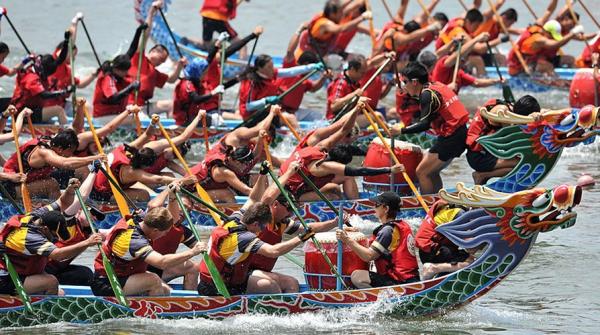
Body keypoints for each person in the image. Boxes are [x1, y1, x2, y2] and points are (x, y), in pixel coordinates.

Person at [243, 162, 343, 292]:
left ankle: (294, 311)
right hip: (245, 272)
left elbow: (308, 227)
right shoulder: (263, 217)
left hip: (260, 272)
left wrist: (334, 223)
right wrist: (289, 172)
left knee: (292, 283)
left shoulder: (282, 223)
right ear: (276, 204)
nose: (290, 213)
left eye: (293, 210)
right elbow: (267, 197)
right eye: (289, 208)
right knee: (272, 284)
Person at [197, 201, 315, 296]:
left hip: (221, 281)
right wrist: (301, 238)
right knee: (270, 286)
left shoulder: (234, 219)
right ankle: (277, 315)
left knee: (284, 283)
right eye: (263, 227)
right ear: (255, 224)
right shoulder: (245, 238)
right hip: (217, 288)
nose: (261, 231)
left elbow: (254, 197)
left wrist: (263, 174)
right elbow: (273, 252)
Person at [0, 189, 103, 295]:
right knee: (51, 282)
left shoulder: (37, 215)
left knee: (61, 292)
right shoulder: (31, 238)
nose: (56, 239)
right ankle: (40, 310)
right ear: (44, 228)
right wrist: (87, 242)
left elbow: (62, 202)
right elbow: (58, 255)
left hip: (20, 272)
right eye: (54, 235)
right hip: (5, 278)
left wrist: (70, 190)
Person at [91, 207, 206, 297]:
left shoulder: (140, 220)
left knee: (166, 290)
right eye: (165, 233)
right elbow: (161, 262)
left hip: (125, 275)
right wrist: (192, 252)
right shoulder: (135, 241)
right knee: (153, 280)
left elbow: (147, 215)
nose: (164, 235)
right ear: (155, 230)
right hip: (108, 282)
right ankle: (157, 317)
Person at [391, 62, 469, 194]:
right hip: (459, 132)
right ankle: (438, 200)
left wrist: (401, 131)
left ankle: (427, 208)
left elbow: (424, 125)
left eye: (405, 82)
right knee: (431, 172)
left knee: (422, 172)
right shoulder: (436, 85)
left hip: (452, 137)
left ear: (415, 82)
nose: (404, 86)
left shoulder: (427, 95)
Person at [279, 135, 405, 201]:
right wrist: (389, 169)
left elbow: (348, 148)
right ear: (338, 163)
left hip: (289, 182)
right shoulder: (327, 166)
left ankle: (354, 203)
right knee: (334, 197)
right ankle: (355, 208)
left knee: (342, 180)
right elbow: (359, 171)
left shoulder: (320, 149)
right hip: (290, 194)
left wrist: (369, 152)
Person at [336, 192, 419, 288]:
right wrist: (355, 233)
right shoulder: (401, 225)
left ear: (386, 209)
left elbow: (369, 256)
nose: (373, 208)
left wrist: (347, 240)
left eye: (376, 205)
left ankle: (375, 300)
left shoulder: (387, 231)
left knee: (357, 276)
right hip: (410, 279)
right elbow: (374, 246)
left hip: (398, 282)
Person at [2, 128, 105, 200]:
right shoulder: (44, 152)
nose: (71, 155)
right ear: (60, 149)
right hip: (12, 187)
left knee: (83, 169)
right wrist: (95, 158)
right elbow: (65, 163)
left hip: (31, 179)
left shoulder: (52, 142)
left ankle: (85, 200)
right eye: (70, 151)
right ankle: (59, 213)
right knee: (52, 184)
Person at [127, 2, 186, 116]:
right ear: (152, 51)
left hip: (144, 106)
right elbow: (146, 34)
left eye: (163, 60)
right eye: (161, 56)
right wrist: (151, 12)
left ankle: (172, 130)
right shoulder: (138, 59)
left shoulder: (154, 72)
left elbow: (172, 79)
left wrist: (179, 65)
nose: (161, 61)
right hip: (130, 106)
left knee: (171, 104)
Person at [44, 175, 104, 287]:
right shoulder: (68, 221)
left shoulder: (90, 232)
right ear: (80, 209)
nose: (94, 217)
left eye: (97, 217)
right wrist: (93, 172)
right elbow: (82, 197)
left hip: (60, 269)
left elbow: (110, 233)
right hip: (45, 267)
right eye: (93, 213)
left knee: (86, 274)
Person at [466, 95, 541, 184]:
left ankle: (483, 178)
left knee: (522, 162)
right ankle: (482, 175)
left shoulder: (510, 107)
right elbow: (508, 137)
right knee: (524, 165)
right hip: (479, 157)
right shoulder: (502, 111)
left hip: (486, 153)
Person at [91, 126, 177, 202]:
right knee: (144, 195)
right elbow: (159, 179)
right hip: (100, 195)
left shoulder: (124, 149)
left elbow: (147, 135)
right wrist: (179, 181)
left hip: (91, 185)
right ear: (145, 166)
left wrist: (153, 124)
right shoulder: (132, 172)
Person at [146, 177, 201, 290]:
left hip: (160, 269)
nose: (185, 212)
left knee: (193, 267)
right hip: (142, 270)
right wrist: (170, 189)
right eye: (183, 206)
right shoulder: (155, 218)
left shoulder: (183, 232)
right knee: (167, 291)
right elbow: (153, 205)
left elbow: (203, 249)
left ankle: (191, 300)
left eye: (189, 210)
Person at [238, 54, 323, 126]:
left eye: (272, 65)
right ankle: (299, 141)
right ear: (260, 68)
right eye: (269, 67)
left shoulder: (270, 73)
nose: (273, 69)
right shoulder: (251, 82)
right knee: (291, 118)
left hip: (265, 111)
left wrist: (311, 67)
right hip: (252, 116)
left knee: (289, 116)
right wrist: (266, 101)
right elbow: (248, 106)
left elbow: (290, 72)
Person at [189, 130, 268, 203]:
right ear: (237, 162)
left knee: (260, 178)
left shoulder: (232, 159)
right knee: (227, 194)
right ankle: (235, 216)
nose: (247, 166)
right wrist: (268, 197)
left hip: (212, 189)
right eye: (246, 164)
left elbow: (255, 154)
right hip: (192, 194)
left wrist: (260, 138)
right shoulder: (225, 172)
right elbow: (246, 190)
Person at [507, 0, 583, 76]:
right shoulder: (539, 39)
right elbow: (555, 44)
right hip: (517, 67)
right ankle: (555, 83)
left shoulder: (540, 26)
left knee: (566, 60)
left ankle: (569, 78)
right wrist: (572, 34)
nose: (553, 38)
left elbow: (549, 10)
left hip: (531, 61)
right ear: (548, 32)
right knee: (547, 66)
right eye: (552, 36)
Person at [11, 31, 72, 124]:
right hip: (22, 114)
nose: (47, 76)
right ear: (44, 70)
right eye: (48, 73)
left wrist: (66, 41)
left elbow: (60, 60)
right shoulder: (31, 78)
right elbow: (43, 95)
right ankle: (68, 135)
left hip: (34, 110)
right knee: (58, 110)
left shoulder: (40, 66)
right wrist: (62, 92)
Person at [43, 16, 98, 116]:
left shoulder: (67, 71)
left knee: (87, 107)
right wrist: (74, 24)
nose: (73, 58)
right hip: (49, 106)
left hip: (62, 104)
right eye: (73, 55)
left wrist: (94, 75)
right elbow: (69, 45)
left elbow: (80, 84)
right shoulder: (55, 63)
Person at [278, 22, 332, 121]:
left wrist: (324, 77)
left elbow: (314, 88)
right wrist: (300, 30)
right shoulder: (290, 68)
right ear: (307, 64)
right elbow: (290, 51)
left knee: (319, 117)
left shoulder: (304, 80)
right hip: (280, 111)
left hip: (294, 112)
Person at [414, 199, 472, 280]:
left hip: (429, 251)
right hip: (433, 252)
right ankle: (434, 268)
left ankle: (440, 269)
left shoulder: (449, 208)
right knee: (471, 262)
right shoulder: (459, 213)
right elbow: (470, 246)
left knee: (466, 256)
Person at [294, 0, 372, 59]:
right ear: (333, 14)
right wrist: (362, 17)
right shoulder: (324, 24)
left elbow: (341, 7)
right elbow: (341, 29)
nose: (343, 15)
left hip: (321, 55)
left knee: (359, 58)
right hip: (305, 58)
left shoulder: (330, 14)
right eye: (340, 13)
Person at [325, 53, 388, 125]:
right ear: (352, 70)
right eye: (361, 73)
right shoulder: (341, 83)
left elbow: (372, 63)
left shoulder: (354, 81)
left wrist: (385, 56)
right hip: (336, 120)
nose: (363, 76)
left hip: (349, 117)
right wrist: (354, 94)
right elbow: (334, 106)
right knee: (378, 116)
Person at [431, 33, 504, 93]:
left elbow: (476, 82)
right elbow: (457, 56)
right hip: (436, 103)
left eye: (465, 58)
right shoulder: (443, 63)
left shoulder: (459, 73)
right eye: (462, 58)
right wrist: (477, 39)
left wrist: (497, 81)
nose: (464, 61)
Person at [472, 0, 519, 66]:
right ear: (504, 17)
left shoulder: (500, 27)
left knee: (502, 58)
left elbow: (518, 31)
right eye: (510, 23)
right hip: (472, 51)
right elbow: (498, 4)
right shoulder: (488, 19)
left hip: (482, 54)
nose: (510, 26)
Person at [92, 54, 139, 120]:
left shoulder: (120, 77)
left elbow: (132, 51)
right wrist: (131, 88)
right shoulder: (107, 78)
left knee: (137, 114)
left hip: (115, 114)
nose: (126, 73)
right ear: (116, 69)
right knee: (134, 119)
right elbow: (113, 98)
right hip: (102, 117)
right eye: (124, 71)